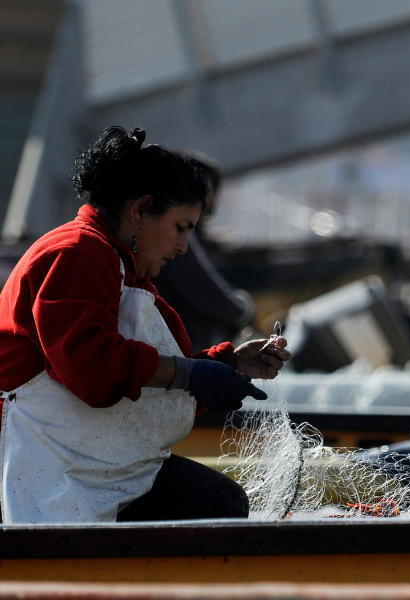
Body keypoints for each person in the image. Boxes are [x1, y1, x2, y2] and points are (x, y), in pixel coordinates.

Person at [0, 126, 291, 524]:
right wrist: (191, 372)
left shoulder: (118, 265)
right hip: (49, 467)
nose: (183, 247)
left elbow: (141, 374)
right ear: (139, 211)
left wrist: (227, 365)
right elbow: (93, 370)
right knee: (215, 505)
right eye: (180, 227)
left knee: (218, 502)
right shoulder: (75, 254)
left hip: (93, 462)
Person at [152, 151, 255, 353]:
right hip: (178, 359)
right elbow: (210, 296)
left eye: (207, 189)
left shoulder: (182, 230)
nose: (206, 197)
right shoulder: (177, 230)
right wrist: (244, 307)